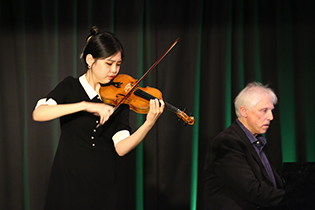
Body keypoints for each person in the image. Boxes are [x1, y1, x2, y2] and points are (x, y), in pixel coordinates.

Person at [32, 26, 165, 210]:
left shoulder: (121, 98)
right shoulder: (70, 86)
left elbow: (121, 148)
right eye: (109, 63)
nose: (114, 70)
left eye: (118, 64)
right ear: (90, 60)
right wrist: (85, 105)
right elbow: (39, 114)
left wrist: (148, 124)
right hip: (68, 181)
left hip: (103, 184)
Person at [204, 82, 285, 210]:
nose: (271, 117)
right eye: (264, 110)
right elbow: (252, 190)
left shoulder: (259, 141)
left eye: (271, 110)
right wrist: (293, 197)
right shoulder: (226, 143)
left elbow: (271, 184)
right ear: (244, 111)